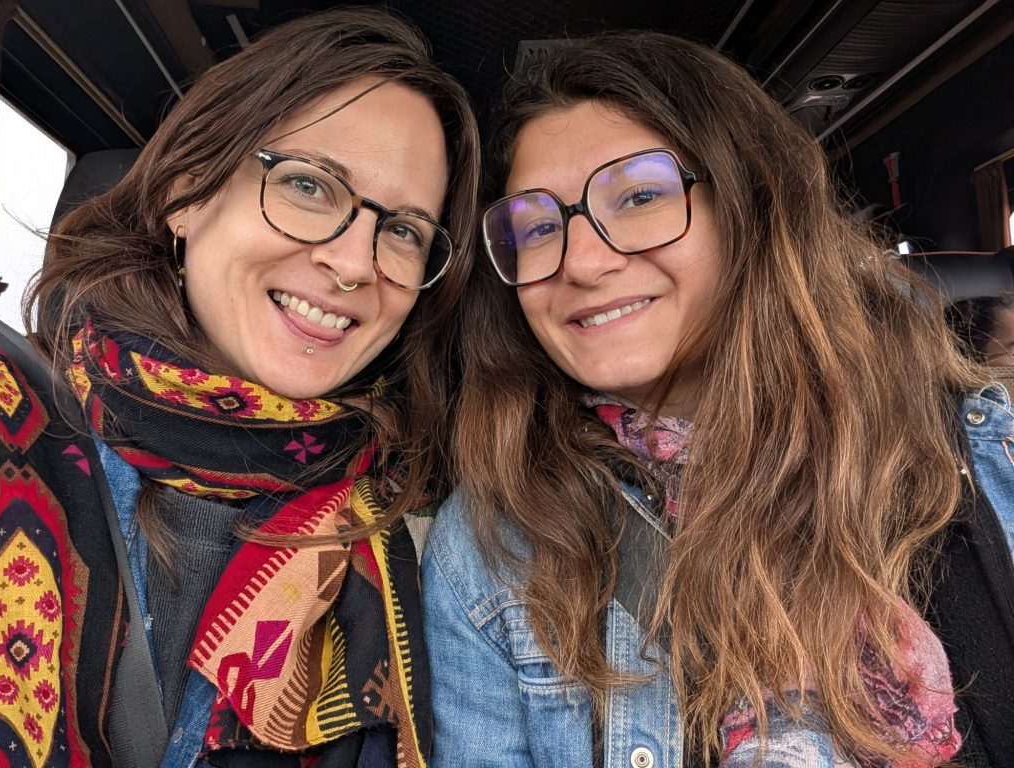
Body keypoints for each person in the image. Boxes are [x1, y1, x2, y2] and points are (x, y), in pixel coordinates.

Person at [422, 30, 1014, 768]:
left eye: (639, 196)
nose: (582, 262)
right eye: (537, 227)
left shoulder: (987, 452)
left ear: (751, 208)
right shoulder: (491, 547)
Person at [0, 7, 478, 767]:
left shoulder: (409, 537)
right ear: (187, 193)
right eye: (310, 185)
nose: (356, 263)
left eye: (404, 231)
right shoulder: (5, 419)